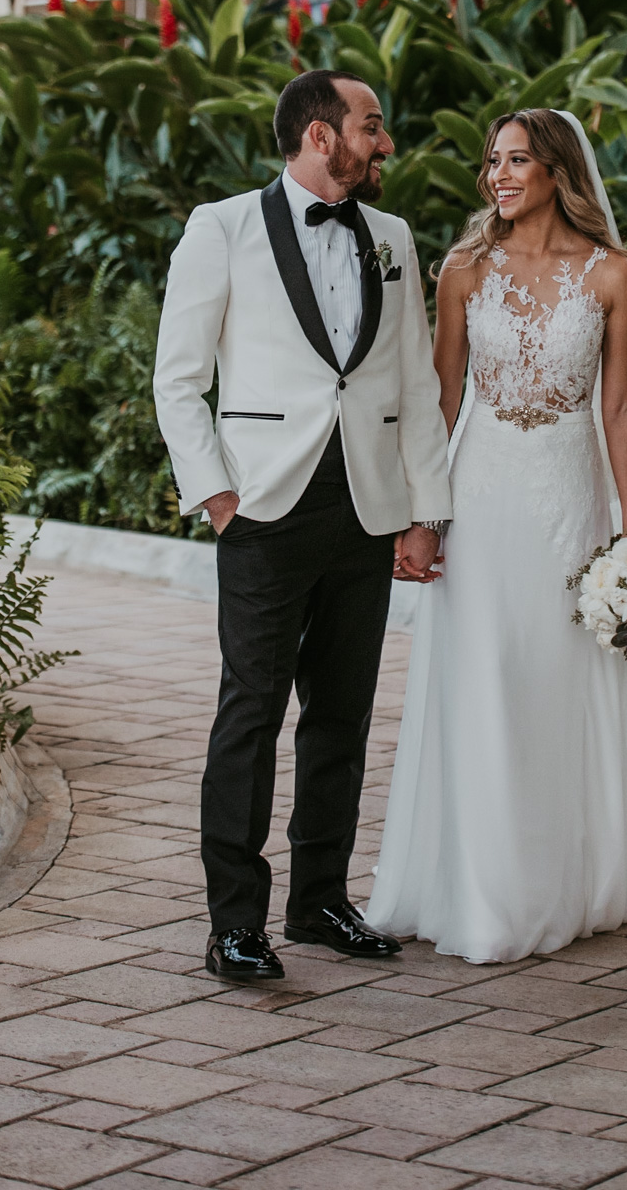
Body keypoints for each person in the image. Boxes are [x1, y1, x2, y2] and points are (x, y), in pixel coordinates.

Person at [153, 70, 452, 983]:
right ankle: (234, 922)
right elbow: (177, 378)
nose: (384, 143)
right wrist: (216, 495)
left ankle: (321, 901)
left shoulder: (393, 238)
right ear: (322, 136)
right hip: (265, 509)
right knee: (250, 712)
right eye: (372, 127)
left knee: (343, 716)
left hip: (366, 508)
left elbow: (412, 384)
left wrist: (424, 511)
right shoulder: (222, 227)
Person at [368, 109, 627, 962]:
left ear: (557, 172)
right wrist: (422, 513)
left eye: (517, 160)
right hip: (483, 492)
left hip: (571, 498)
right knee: (484, 672)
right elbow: (442, 399)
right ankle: (480, 886)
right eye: (492, 160)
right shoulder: (462, 269)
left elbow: (621, 404)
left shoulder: (613, 276)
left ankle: (565, 877)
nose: (497, 174)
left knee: (557, 677)